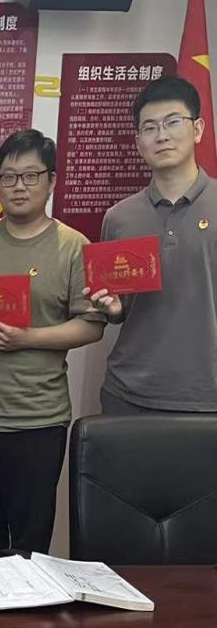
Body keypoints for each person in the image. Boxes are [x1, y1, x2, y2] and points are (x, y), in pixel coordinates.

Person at [0, 129, 105, 554]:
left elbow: (91, 325)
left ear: (51, 181)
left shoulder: (73, 246)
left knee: (29, 546)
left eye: (30, 176)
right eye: (9, 177)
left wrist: (27, 338)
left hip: (38, 419)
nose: (18, 186)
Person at [88, 76, 217, 415]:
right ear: (139, 142)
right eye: (150, 127)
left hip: (208, 395)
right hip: (129, 393)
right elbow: (119, 308)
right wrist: (113, 309)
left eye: (173, 122)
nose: (162, 135)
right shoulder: (119, 217)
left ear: (198, 129)